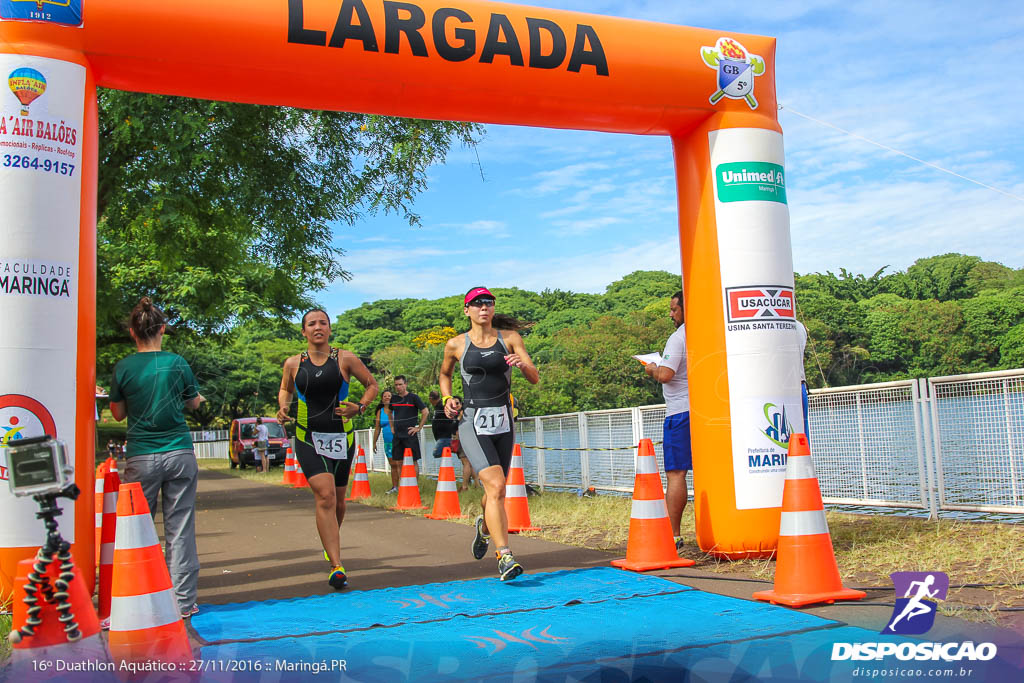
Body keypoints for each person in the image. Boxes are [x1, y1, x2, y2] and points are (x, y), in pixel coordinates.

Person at [109, 297, 205, 621]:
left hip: (140, 457)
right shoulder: (177, 362)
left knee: (137, 531)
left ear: (133, 333)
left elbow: (119, 412)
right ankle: (182, 603)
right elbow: (193, 403)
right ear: (162, 329)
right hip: (179, 451)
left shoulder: (123, 367)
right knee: (179, 530)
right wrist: (197, 397)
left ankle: (137, 601)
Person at [439, 286, 539, 581]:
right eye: (477, 303)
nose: (484, 307)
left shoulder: (510, 339)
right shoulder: (456, 344)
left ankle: (485, 528)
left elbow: (534, 377)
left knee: (497, 490)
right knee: (495, 487)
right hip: (472, 420)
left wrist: (522, 365)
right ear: (467, 310)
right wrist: (447, 399)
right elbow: (445, 375)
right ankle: (505, 556)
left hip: (503, 421)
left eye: (489, 303)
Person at [277, 308, 378, 589]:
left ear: (330, 329)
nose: (317, 327)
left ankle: (329, 540)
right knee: (325, 496)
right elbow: (285, 389)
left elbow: (371, 384)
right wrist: (283, 406)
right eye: (312, 324)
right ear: (304, 331)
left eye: (323, 322)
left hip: (342, 437)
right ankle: (336, 565)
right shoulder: (293, 363)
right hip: (307, 437)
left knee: (339, 501)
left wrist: (361, 406)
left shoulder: (345, 358)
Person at [644, 290, 691, 555]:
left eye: (674, 309)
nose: (671, 314)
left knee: (676, 474)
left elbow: (666, 374)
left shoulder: (678, 337)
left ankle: (672, 534)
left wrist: (650, 367)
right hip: (705, 412)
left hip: (680, 413)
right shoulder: (708, 333)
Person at [388, 375, 428, 491]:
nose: (398, 387)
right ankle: (403, 487)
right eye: (396, 385)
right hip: (398, 434)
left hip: (410, 434)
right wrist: (391, 426)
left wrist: (419, 428)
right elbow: (389, 412)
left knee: (413, 460)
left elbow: (425, 412)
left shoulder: (413, 397)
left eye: (400, 384)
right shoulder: (394, 399)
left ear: (405, 384)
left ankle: (414, 486)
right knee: (399, 461)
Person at [371, 390, 395, 487]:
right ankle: (395, 487)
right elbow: (377, 428)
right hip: (388, 442)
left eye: (389, 396)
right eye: (385, 396)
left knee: (399, 463)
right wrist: (374, 443)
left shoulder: (396, 409)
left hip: (398, 441)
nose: (387, 397)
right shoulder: (380, 412)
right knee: (392, 464)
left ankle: (405, 485)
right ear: (382, 399)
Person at [429, 389, 458, 459]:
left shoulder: (443, 404)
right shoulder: (437, 406)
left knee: (436, 453)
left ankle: (451, 451)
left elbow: (454, 413)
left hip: (445, 436)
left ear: (430, 399)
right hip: (441, 437)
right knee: (442, 454)